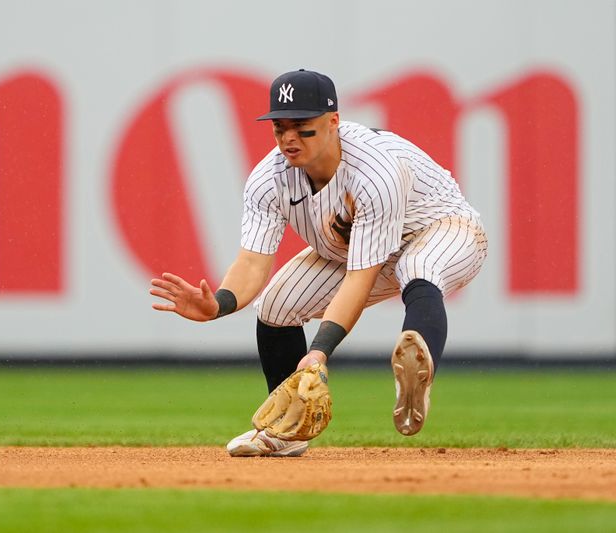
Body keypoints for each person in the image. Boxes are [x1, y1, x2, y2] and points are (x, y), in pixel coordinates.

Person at [149, 69, 487, 457]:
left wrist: (320, 351)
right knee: (276, 306)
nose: (289, 138)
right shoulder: (268, 177)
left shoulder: (374, 171)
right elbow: (253, 262)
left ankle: (417, 374)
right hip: (349, 250)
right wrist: (220, 303)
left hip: (444, 230)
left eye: (302, 127)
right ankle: (286, 431)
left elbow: (361, 279)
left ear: (333, 122)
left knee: (419, 267)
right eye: (280, 128)